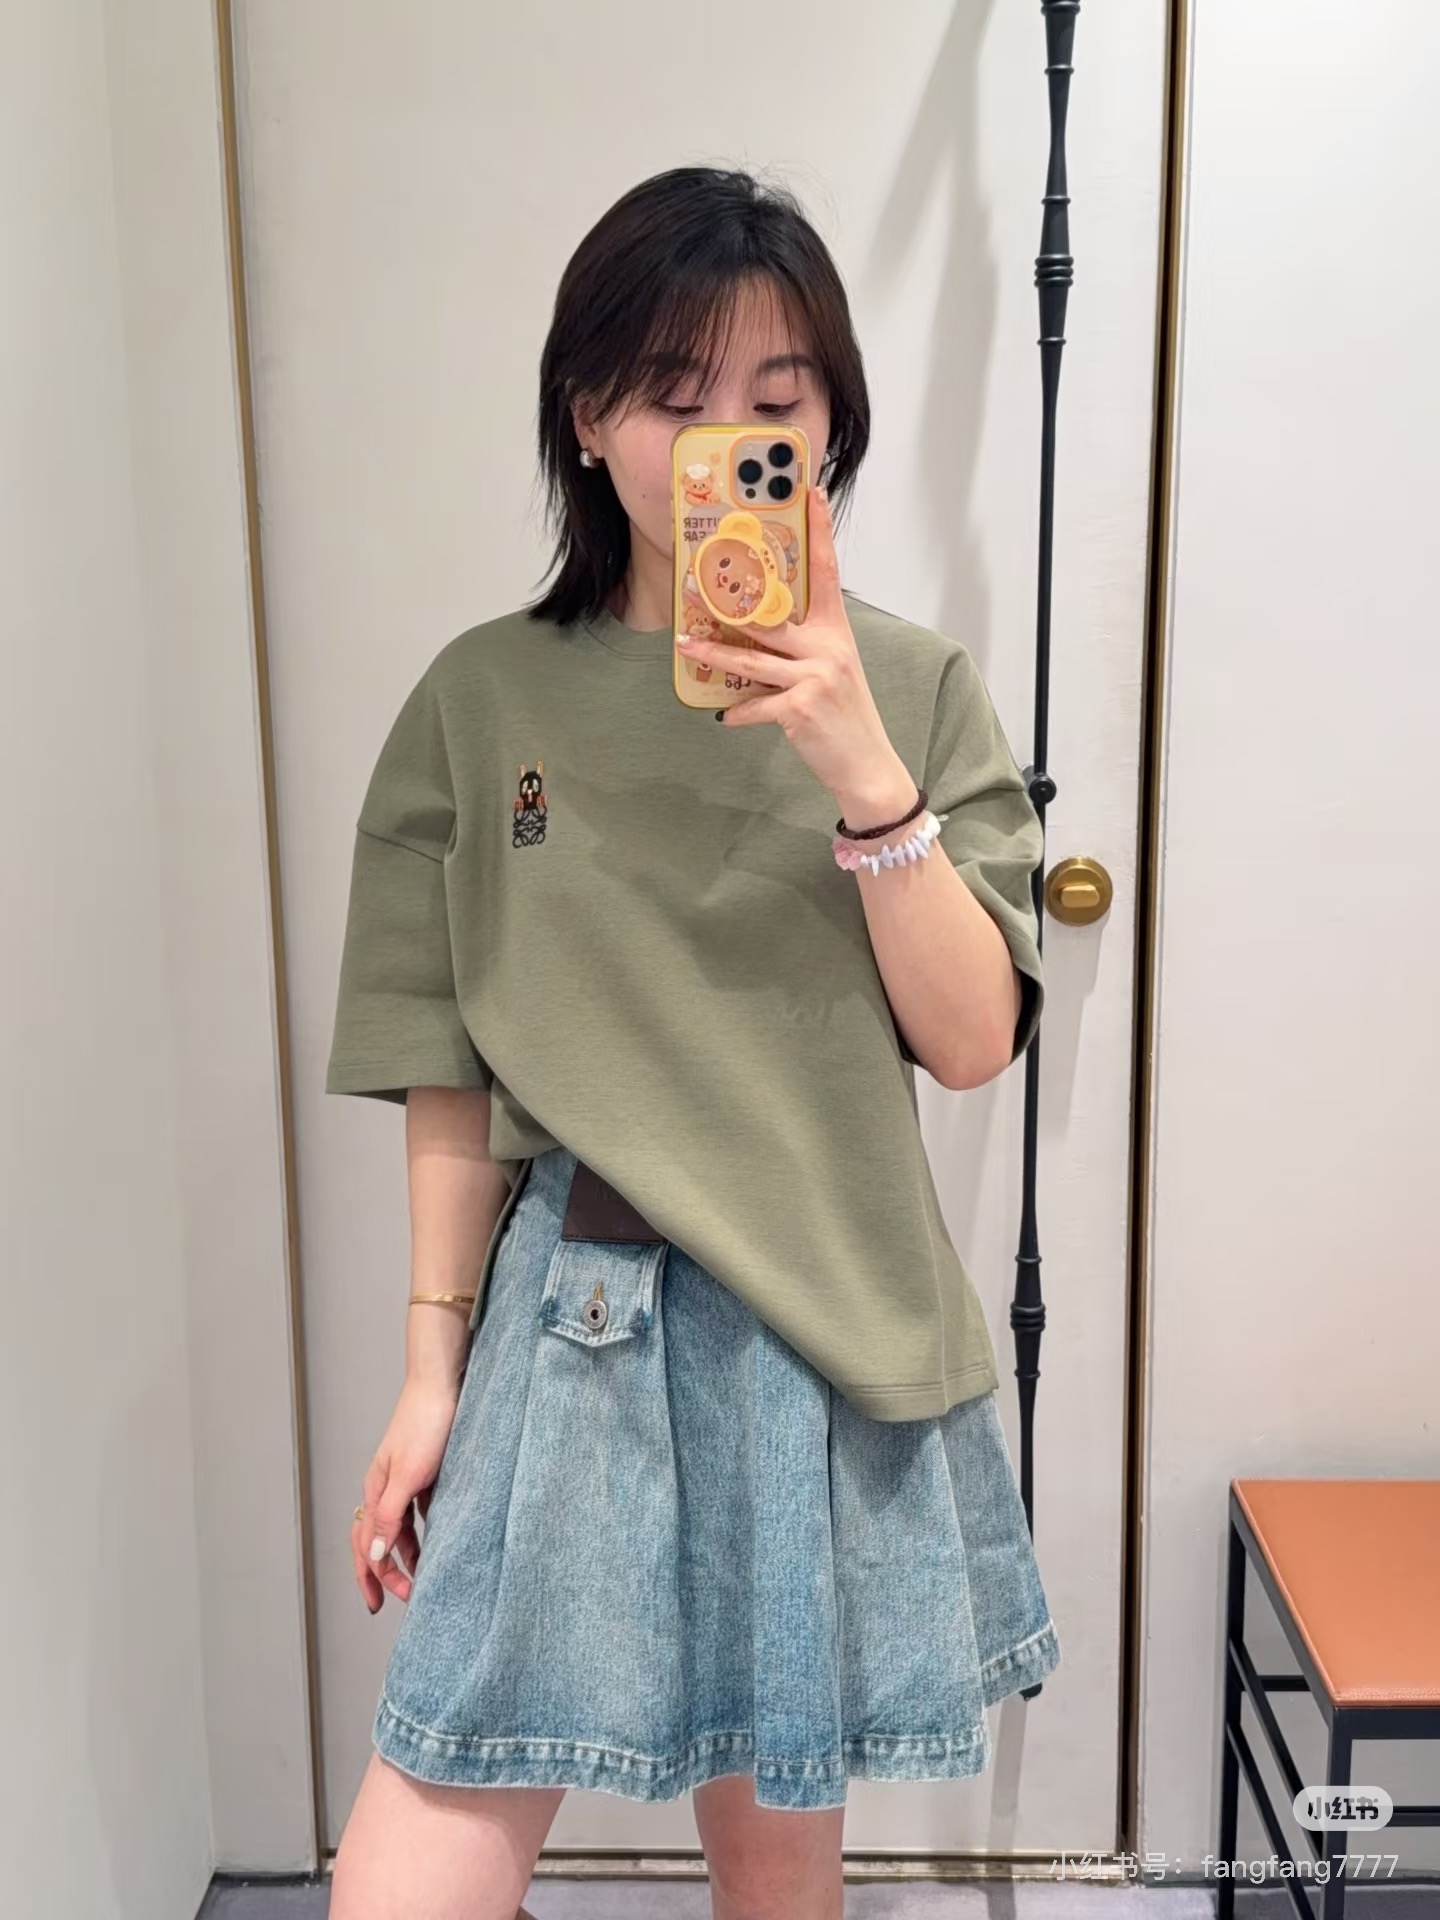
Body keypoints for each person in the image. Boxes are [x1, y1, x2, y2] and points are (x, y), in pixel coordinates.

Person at [325, 165, 1060, 1920]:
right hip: (571, 1312)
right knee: (413, 1867)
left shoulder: (914, 690)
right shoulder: (481, 701)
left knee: (775, 1861)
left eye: (776, 403)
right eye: (673, 395)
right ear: (588, 420)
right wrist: (429, 1371)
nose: (727, 439)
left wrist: (864, 775)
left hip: (820, 1318)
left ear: (828, 427)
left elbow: (972, 1042)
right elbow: (446, 1060)